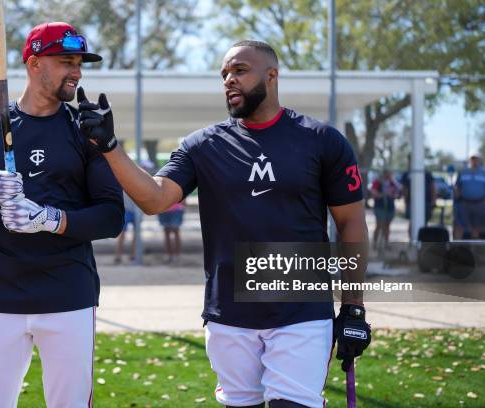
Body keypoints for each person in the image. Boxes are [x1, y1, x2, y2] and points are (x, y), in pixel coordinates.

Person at [78, 40, 371, 408]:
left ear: (272, 75)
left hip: (302, 312)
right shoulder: (202, 145)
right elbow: (154, 198)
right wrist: (109, 146)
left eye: (240, 71)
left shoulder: (322, 140)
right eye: (224, 74)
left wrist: (353, 307)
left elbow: (351, 224)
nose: (229, 80)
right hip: (229, 315)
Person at [0, 22, 124, 408]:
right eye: (66, 61)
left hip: (69, 296)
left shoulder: (86, 128)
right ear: (34, 63)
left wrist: (49, 218)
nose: (76, 71)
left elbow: (112, 217)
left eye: (79, 62)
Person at [401, 158, 437, 241]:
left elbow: (433, 188)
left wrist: (434, 201)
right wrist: (405, 201)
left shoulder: (427, 173)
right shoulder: (406, 174)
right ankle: (412, 241)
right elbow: (404, 189)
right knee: (411, 222)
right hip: (411, 203)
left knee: (424, 223)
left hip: (426, 203)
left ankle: (423, 242)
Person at [455, 151, 485, 239]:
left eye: (476, 159)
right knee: (462, 226)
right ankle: (462, 249)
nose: (474, 161)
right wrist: (458, 200)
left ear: (479, 160)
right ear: (470, 160)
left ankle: (475, 249)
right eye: (472, 159)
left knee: (477, 227)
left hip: (480, 203)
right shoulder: (463, 172)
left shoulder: (483, 172)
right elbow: (457, 187)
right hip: (464, 203)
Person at [370, 170, 401, 249]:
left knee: (387, 226)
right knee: (379, 225)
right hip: (380, 207)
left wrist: (393, 193)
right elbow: (373, 193)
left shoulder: (392, 182)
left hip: (390, 207)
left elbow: (398, 192)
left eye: (389, 174)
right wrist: (384, 194)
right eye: (387, 173)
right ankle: (375, 243)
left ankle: (386, 243)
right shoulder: (377, 182)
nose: (388, 175)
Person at [115, 191, 136, 264]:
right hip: (126, 208)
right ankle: (118, 255)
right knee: (122, 232)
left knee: (136, 234)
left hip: (137, 209)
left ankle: (133, 255)